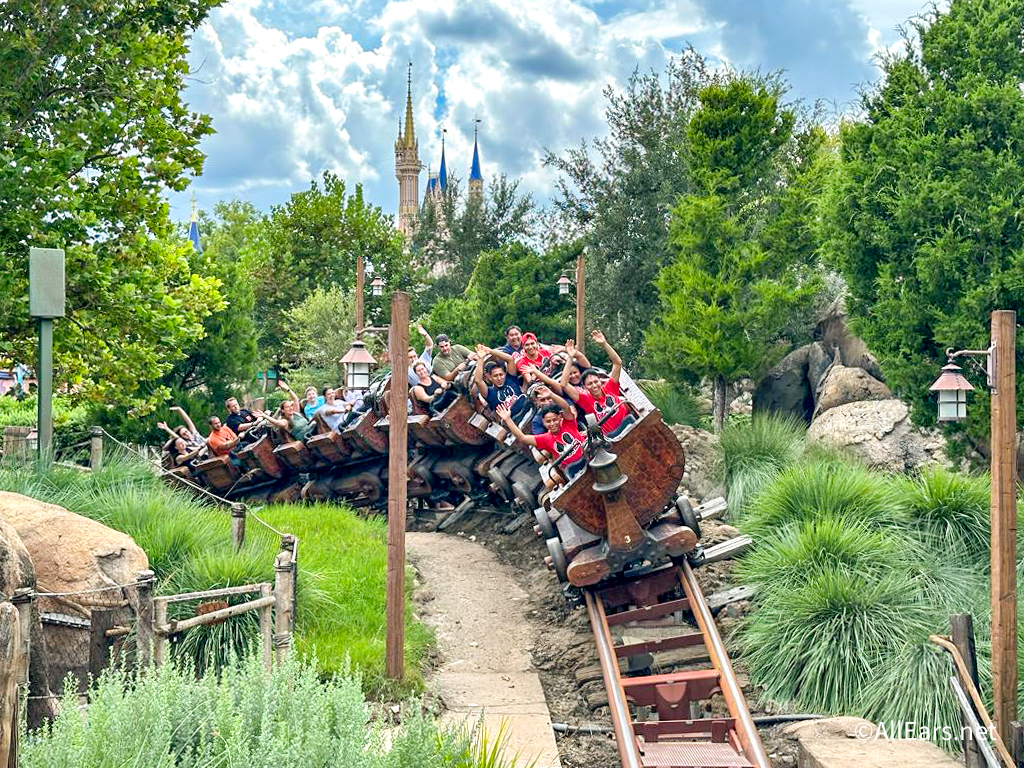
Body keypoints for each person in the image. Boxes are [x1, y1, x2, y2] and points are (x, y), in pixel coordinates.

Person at [561, 331, 635, 438]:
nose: (594, 385)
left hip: (628, 425)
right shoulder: (585, 399)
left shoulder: (610, 387)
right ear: (585, 387)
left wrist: (604, 344)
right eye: (590, 384)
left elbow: (617, 363)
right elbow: (563, 384)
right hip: (612, 436)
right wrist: (570, 357)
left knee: (631, 419)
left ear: (600, 381)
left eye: (596, 382)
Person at [495, 401, 587, 481]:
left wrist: (551, 394)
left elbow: (566, 407)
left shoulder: (568, 423)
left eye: (554, 420)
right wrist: (507, 419)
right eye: (548, 421)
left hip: (588, 454)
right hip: (573, 469)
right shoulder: (545, 438)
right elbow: (522, 438)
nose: (552, 424)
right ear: (543, 422)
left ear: (560, 417)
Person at [474, 345, 528, 421]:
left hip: (528, 407)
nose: (499, 378)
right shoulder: (489, 392)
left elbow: (510, 359)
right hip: (514, 419)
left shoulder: (510, 378)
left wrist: (490, 351)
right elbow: (478, 381)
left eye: (501, 375)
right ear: (490, 377)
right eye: (495, 376)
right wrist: (480, 359)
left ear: (505, 374)